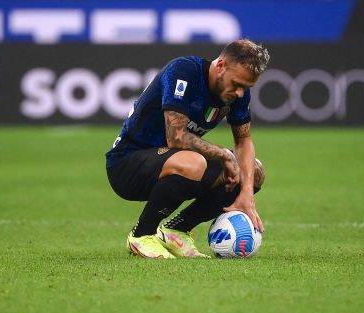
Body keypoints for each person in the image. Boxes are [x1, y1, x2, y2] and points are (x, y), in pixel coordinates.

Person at [105, 39, 270, 259]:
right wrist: (223, 154)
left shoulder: (238, 94)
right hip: (127, 165)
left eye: (246, 88)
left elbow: (244, 141)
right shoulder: (184, 71)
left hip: (174, 164)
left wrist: (247, 193)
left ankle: (176, 231)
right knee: (194, 162)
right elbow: (176, 137)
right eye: (237, 84)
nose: (240, 93)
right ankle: (141, 236)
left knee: (254, 172)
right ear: (220, 65)